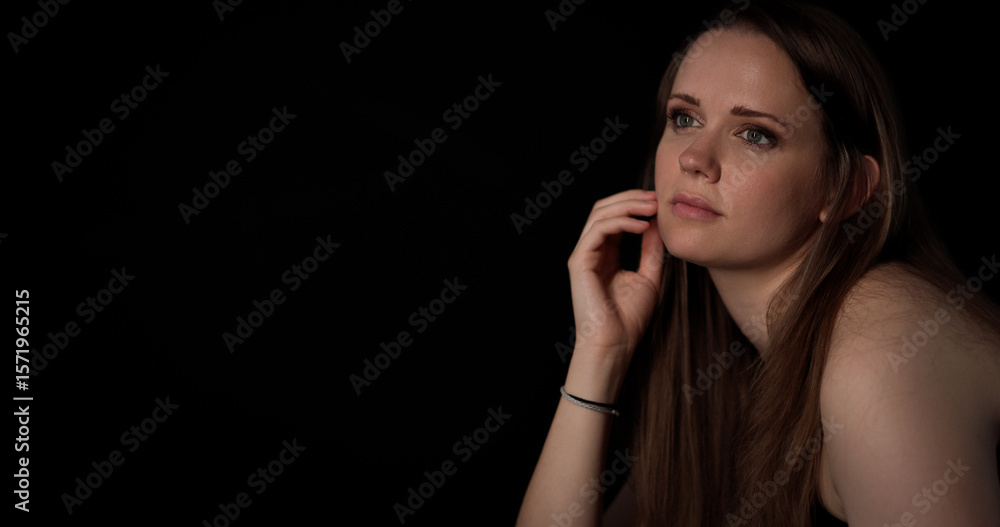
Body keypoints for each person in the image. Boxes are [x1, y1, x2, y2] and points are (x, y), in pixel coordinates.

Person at [515, 1, 1000, 526]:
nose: (694, 158)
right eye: (684, 118)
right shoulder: (729, 372)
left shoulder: (884, 344)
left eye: (754, 134)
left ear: (846, 189)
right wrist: (598, 352)